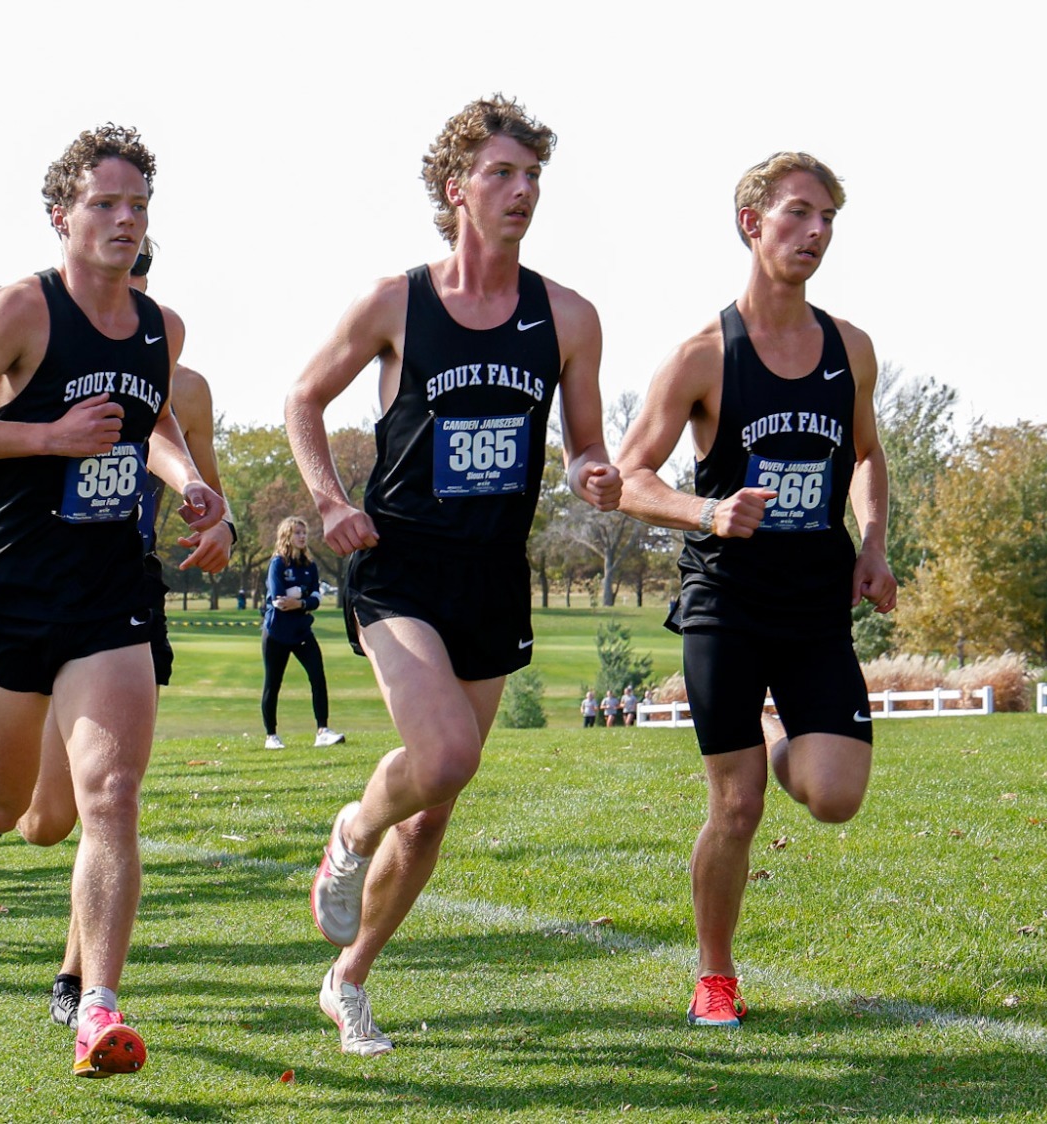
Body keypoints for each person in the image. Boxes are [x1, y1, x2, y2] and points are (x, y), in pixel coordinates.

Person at [284, 97, 620, 1055]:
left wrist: (593, 473)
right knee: (441, 758)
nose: (523, 191)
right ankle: (351, 833)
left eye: (533, 176)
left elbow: (584, 447)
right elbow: (304, 398)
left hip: (492, 577)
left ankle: (348, 980)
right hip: (398, 567)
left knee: (433, 815)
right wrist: (331, 501)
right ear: (456, 189)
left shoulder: (568, 317)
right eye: (502, 174)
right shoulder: (397, 302)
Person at [0, 124, 224, 1078]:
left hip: (110, 590)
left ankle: (98, 1007)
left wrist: (191, 482)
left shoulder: (161, 326)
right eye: (105, 204)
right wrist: (47, 437)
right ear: (62, 216)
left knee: (111, 797)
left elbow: (151, 424)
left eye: (139, 206)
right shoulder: (23, 310)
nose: (126, 220)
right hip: (12, 590)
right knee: (6, 808)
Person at [613, 151, 895, 1029]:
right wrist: (707, 511)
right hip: (726, 603)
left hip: (816, 604)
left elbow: (866, 455)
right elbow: (627, 477)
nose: (816, 233)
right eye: (799, 213)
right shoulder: (703, 356)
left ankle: (778, 736)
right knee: (736, 806)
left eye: (828, 219)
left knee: (835, 796)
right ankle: (715, 975)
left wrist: (874, 544)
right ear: (752, 223)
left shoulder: (850, 349)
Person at [44, 238, 233, 1026]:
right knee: (40, 817)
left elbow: (203, 472)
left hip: (125, 584)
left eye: (141, 279)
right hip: (32, 587)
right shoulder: (45, 346)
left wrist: (217, 519)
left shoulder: (183, 384)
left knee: (111, 793)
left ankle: (81, 982)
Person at [259, 516, 340, 749]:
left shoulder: (309, 566)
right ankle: (271, 736)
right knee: (273, 683)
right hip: (276, 632)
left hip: (302, 631)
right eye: (297, 533)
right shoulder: (278, 563)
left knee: (317, 677)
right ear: (287, 536)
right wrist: (304, 596)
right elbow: (279, 600)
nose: (302, 537)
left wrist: (300, 600)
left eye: (304, 533)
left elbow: (316, 599)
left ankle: (322, 731)